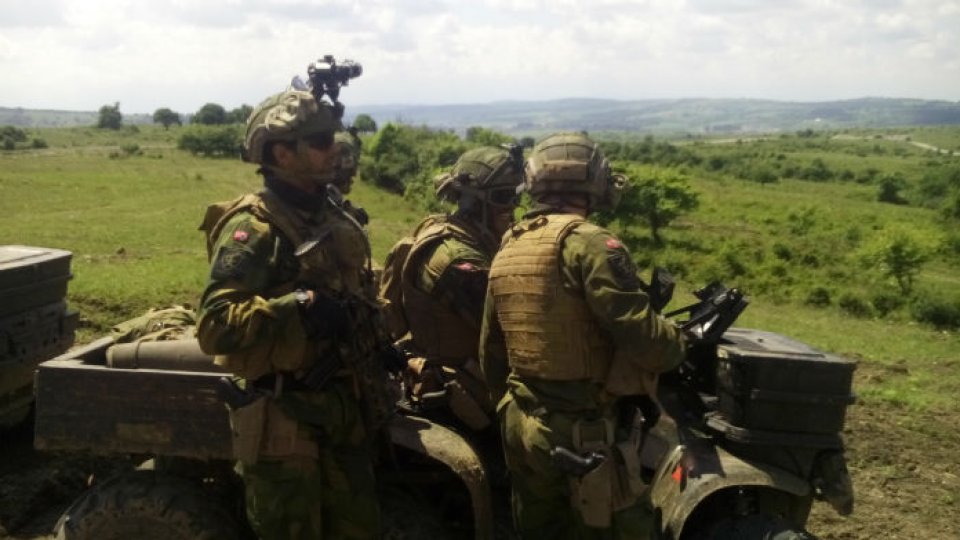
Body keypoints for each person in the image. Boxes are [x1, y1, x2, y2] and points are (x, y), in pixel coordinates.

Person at [196, 87, 390, 540]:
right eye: (321, 141)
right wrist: (296, 307)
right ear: (283, 153)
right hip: (287, 423)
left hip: (343, 413)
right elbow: (214, 326)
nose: (334, 149)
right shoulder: (256, 228)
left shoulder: (328, 212)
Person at [479, 132, 687, 539]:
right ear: (594, 181)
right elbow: (642, 337)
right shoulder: (591, 243)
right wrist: (679, 343)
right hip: (580, 433)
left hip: (521, 423)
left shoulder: (511, 244)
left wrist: (509, 405)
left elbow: (491, 348)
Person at [380, 146, 523, 431]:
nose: (512, 207)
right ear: (474, 202)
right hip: (463, 392)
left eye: (516, 195)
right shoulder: (455, 258)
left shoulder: (469, 236)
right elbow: (512, 327)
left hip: (476, 378)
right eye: (503, 197)